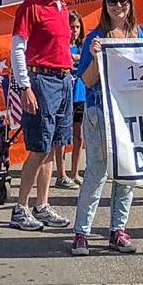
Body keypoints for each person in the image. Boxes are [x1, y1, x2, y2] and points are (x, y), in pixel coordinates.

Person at [70, 0, 143, 255]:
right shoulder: (95, 39)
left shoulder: (142, 34)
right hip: (100, 111)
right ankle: (82, 232)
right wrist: (94, 58)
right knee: (96, 171)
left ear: (131, 5)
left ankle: (118, 229)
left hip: (130, 113)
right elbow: (86, 79)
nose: (119, 6)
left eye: (124, 1)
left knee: (127, 173)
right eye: (113, 2)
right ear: (105, 5)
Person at [9, 0, 80, 231]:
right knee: (39, 148)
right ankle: (21, 207)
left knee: (52, 148)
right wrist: (25, 86)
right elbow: (17, 47)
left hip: (63, 80)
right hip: (42, 80)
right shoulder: (32, 6)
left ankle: (42, 204)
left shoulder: (62, 7)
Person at [54, 11, 86, 189]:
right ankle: (61, 174)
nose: (74, 30)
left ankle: (75, 173)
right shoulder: (60, 45)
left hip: (80, 95)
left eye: (76, 27)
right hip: (63, 96)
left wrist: (79, 57)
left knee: (78, 136)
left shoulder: (82, 46)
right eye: (71, 27)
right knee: (62, 137)